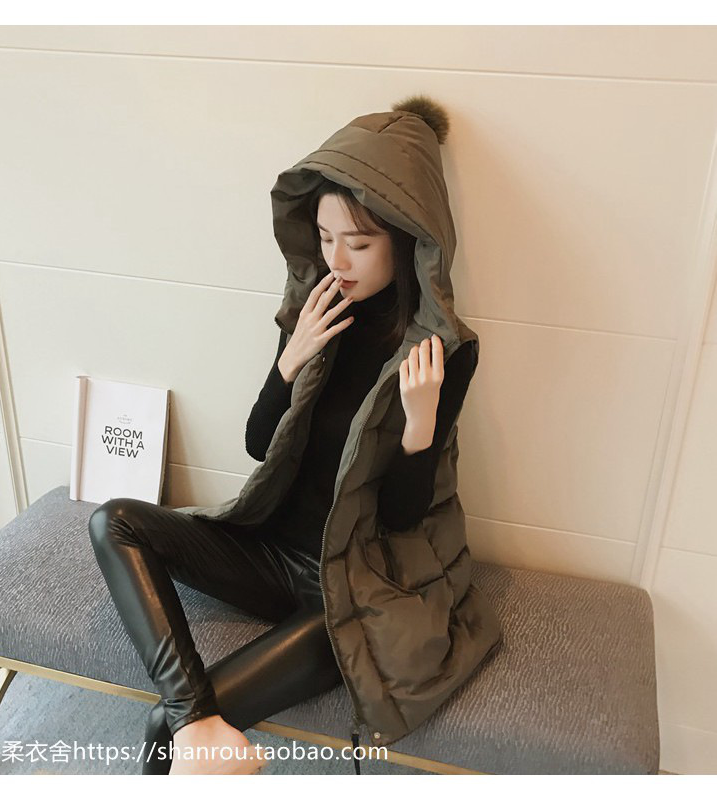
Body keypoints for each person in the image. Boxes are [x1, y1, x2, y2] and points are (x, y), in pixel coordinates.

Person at [88, 95, 502, 776]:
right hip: (270, 551)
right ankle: (198, 725)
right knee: (115, 522)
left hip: (347, 589)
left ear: (406, 239)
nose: (337, 259)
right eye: (325, 237)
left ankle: (187, 729)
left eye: (359, 244)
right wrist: (290, 362)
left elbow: (403, 517)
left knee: (164, 726)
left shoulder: (441, 352)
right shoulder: (318, 309)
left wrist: (421, 422)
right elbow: (259, 443)